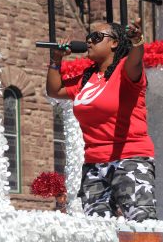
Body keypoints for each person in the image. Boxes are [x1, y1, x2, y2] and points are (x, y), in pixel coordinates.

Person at [46, 18, 156, 222]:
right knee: (97, 228)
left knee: (140, 225)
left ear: (114, 43)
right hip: (94, 163)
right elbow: (55, 90)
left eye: (96, 37)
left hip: (130, 158)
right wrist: (56, 59)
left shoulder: (125, 70)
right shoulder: (86, 79)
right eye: (88, 37)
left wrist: (137, 41)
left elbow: (136, 60)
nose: (89, 41)